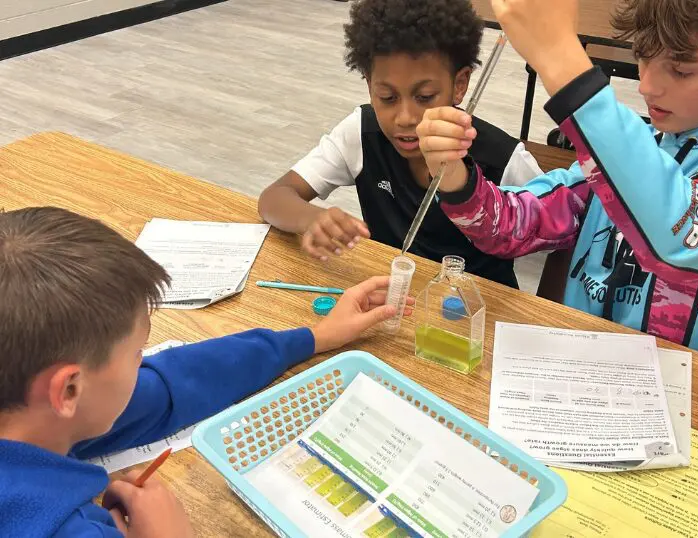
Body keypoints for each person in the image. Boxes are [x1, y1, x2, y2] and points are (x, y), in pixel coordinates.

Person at [416, 0, 698, 366]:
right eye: (643, 56)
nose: (648, 85)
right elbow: (511, 225)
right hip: (583, 369)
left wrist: (563, 62)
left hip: (692, 394)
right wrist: (457, 178)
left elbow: (689, 238)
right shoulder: (635, 146)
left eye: (681, 70)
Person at [0, 206, 412, 538]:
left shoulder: (30, 405)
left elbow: (178, 380)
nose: (143, 362)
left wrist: (313, 337)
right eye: (137, 352)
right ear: (69, 390)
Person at [258, 0, 543, 288]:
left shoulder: (503, 160)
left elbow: (565, 242)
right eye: (387, 97)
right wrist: (311, 219)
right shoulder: (360, 133)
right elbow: (273, 197)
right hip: (392, 301)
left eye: (425, 96)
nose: (405, 118)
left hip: (476, 317)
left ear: (460, 84)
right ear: (369, 86)